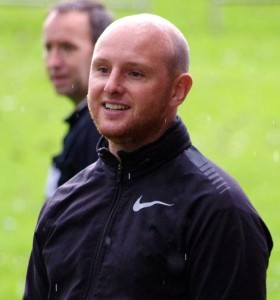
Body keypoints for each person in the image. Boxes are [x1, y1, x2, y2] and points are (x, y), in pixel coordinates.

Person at [24, 13, 273, 299]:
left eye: (135, 73)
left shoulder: (219, 211)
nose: (111, 86)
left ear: (178, 90)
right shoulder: (64, 203)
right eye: (102, 69)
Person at [43, 0, 113, 199]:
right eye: (49, 48)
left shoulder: (103, 135)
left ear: (103, 52)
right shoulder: (85, 122)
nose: (53, 62)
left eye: (67, 48)